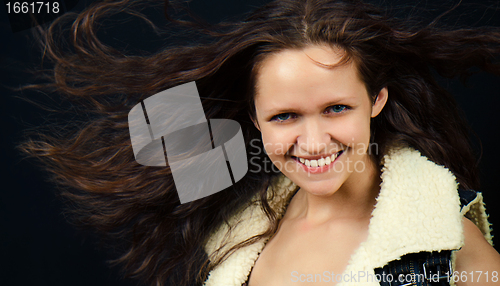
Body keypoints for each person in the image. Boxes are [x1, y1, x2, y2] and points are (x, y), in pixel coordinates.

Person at [19, 0, 500, 285]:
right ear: (254, 118)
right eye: (285, 115)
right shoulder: (234, 215)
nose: (313, 142)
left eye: (336, 108)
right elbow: (147, 133)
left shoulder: (446, 242)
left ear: (376, 100)